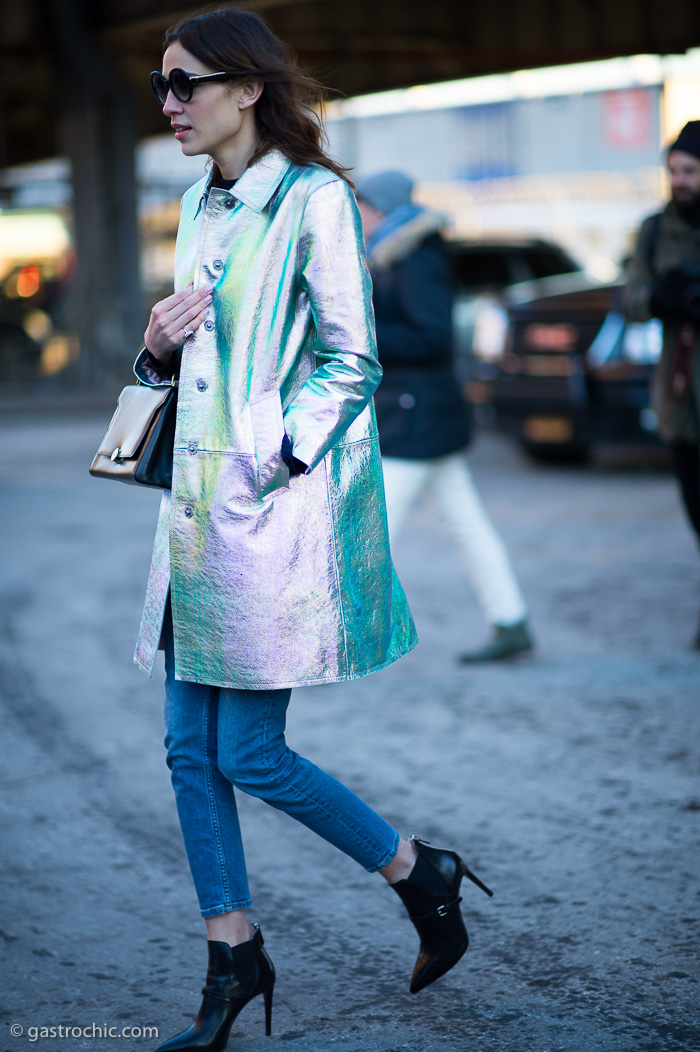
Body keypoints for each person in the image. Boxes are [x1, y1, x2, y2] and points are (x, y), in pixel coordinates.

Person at [132, 10, 492, 1052]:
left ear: (246, 88)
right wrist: (155, 350)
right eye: (160, 87)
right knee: (184, 748)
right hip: (194, 509)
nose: (168, 105)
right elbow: (196, 357)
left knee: (248, 749)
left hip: (263, 505)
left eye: (184, 83)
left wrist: (274, 454)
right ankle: (233, 957)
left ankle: (413, 866)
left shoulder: (316, 198)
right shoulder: (201, 203)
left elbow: (351, 358)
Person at [354, 170, 534, 663]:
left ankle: (338, 639)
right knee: (466, 525)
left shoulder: (417, 259)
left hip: (418, 417)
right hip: (419, 415)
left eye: (363, 206)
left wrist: (364, 332)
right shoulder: (394, 254)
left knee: (366, 531)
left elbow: (432, 338)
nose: (358, 215)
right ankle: (511, 619)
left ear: (383, 209)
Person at [623, 120, 700, 650]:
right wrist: (660, 300)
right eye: (674, 170)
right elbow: (629, 298)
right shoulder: (654, 229)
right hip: (680, 401)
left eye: (690, 171)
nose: (680, 181)